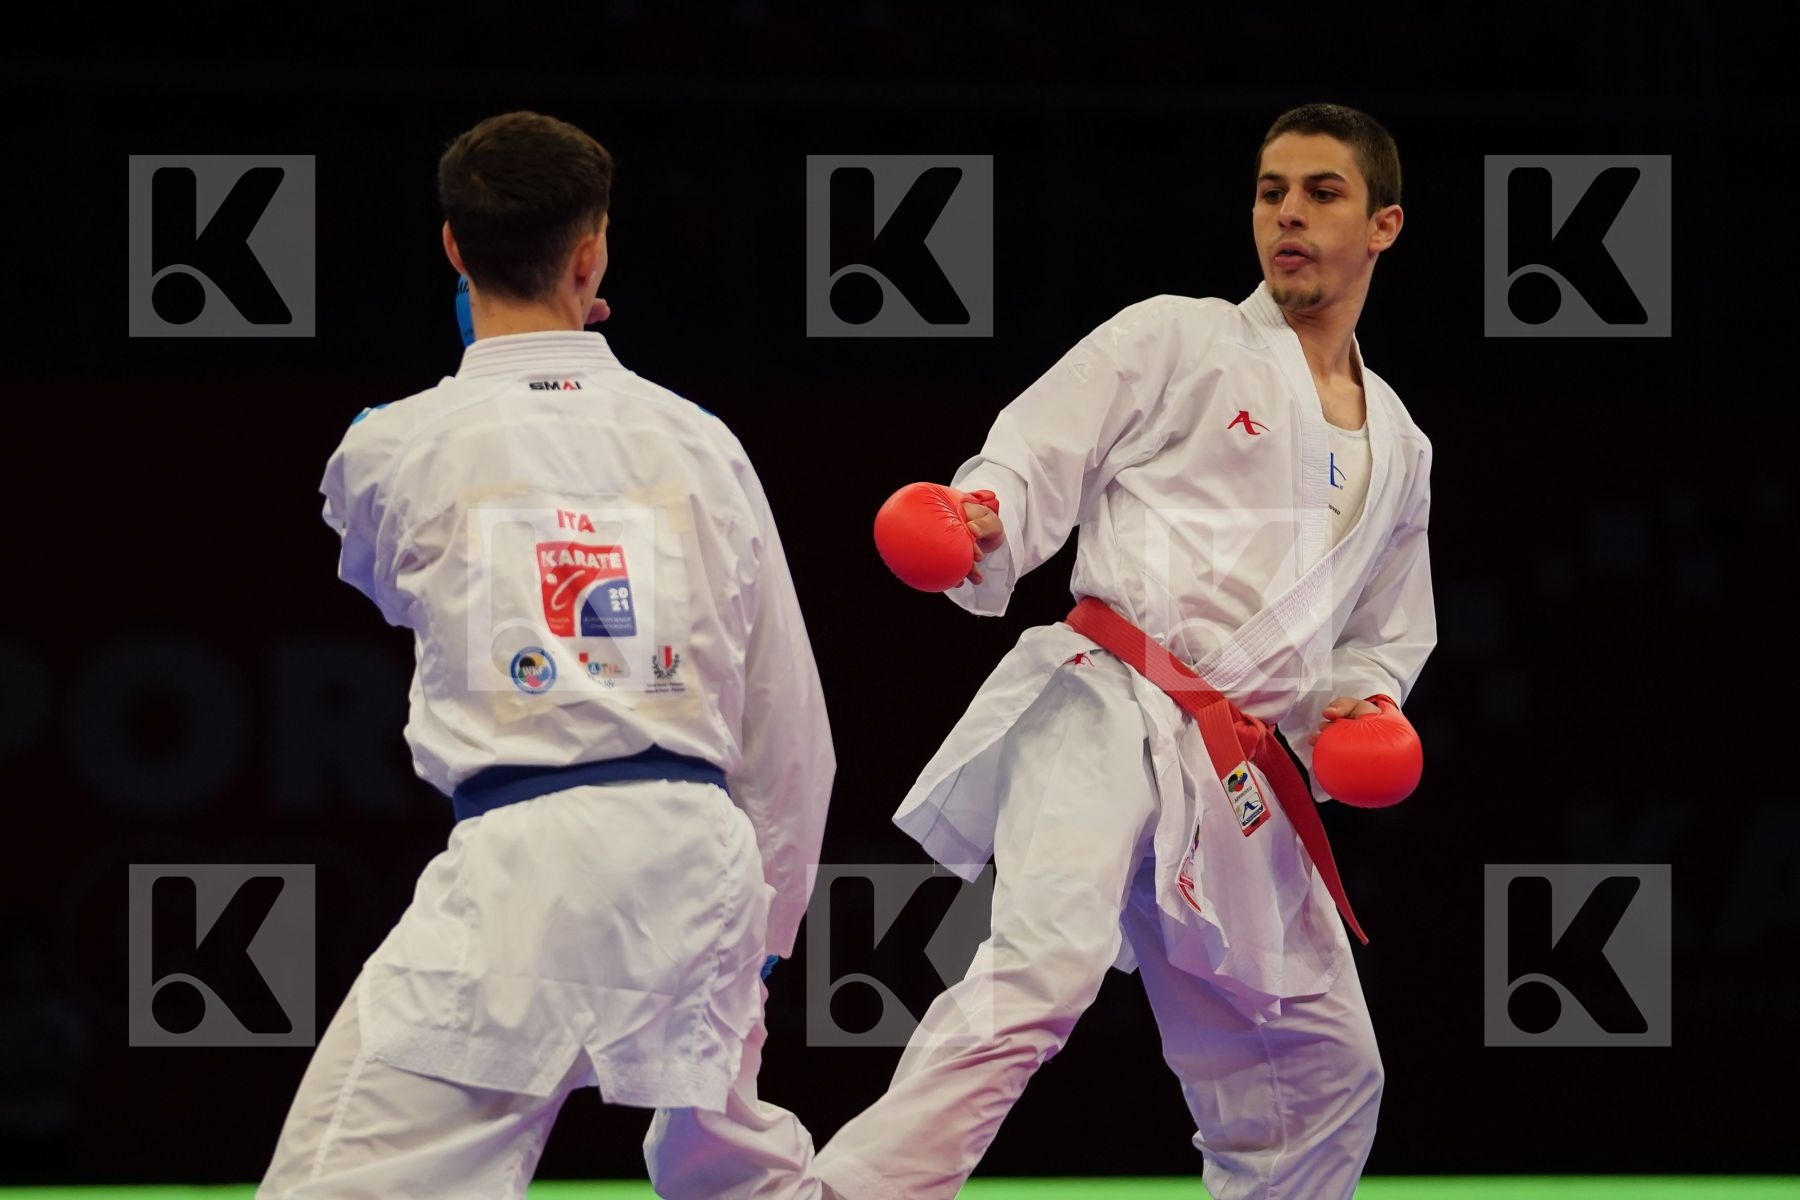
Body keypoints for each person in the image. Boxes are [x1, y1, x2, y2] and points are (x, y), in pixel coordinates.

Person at [816, 102, 1435, 1200]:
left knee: (1328, 1065)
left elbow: (1380, 628)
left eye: (1321, 194)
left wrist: (1365, 704)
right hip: (1106, 704)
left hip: (1237, 766)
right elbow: (1037, 451)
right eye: (1270, 191)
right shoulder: (1178, 338)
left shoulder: (1400, 441)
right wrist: (984, 510)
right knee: (1042, 970)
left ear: (1384, 225)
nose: (1287, 215)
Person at [257, 111, 834, 1200]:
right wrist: (762, 938)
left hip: (530, 865)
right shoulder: (705, 442)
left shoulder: (388, 444)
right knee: (724, 1171)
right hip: (701, 862)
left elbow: (394, 582)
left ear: (451, 250)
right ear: (593, 253)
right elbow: (789, 733)